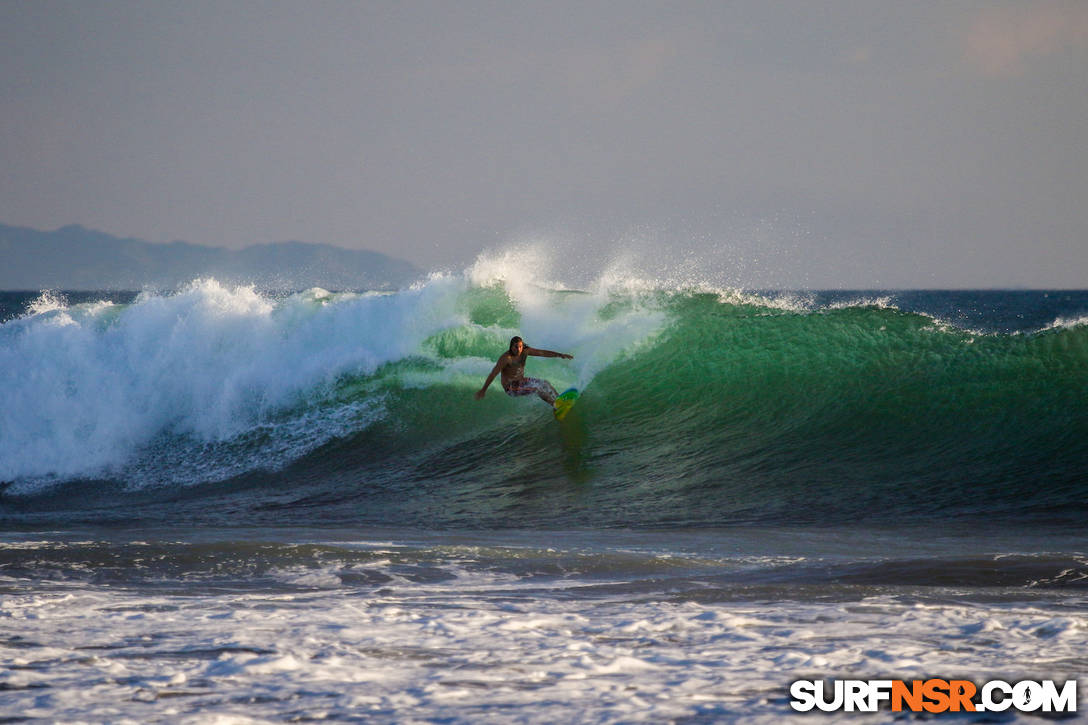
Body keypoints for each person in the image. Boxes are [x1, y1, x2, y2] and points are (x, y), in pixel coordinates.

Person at [475, 336, 573, 406]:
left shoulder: (525, 351)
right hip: (511, 388)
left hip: (521, 381)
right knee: (537, 389)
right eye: (516, 347)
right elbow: (493, 374)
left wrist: (560, 355)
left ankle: (560, 400)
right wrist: (483, 390)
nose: (518, 349)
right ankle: (555, 405)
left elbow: (542, 353)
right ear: (511, 347)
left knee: (545, 383)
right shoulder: (506, 358)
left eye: (520, 346)